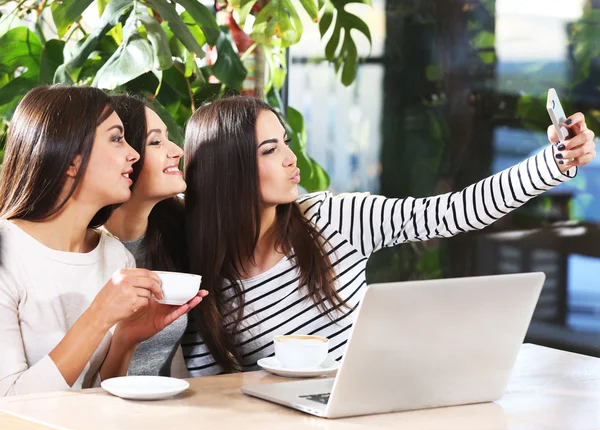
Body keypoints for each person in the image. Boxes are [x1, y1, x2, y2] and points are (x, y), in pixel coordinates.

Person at [180, 96, 596, 377]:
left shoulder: (333, 219)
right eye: (269, 150)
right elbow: (213, 394)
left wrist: (553, 164)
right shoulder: (203, 278)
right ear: (227, 170)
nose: (291, 158)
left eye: (285, 143)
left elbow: (454, 213)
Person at [0, 86, 205, 396]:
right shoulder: (9, 252)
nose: (133, 154)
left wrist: (127, 338)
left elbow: (97, 394)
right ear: (70, 159)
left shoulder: (115, 256)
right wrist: (99, 315)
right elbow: (9, 406)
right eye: (116, 138)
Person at [104, 95, 190, 377]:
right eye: (156, 142)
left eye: (168, 138)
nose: (176, 150)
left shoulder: (179, 233)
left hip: (161, 411)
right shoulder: (83, 249)